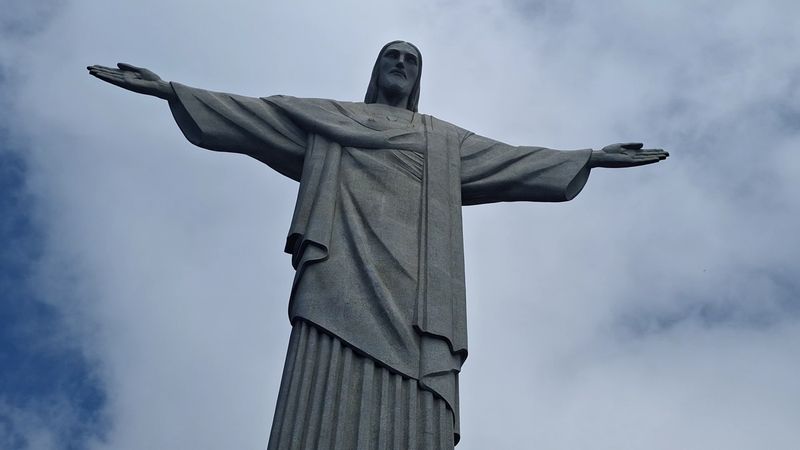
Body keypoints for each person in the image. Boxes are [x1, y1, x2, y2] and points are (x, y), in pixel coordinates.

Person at [88, 40, 668, 449]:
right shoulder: (328, 118)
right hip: (338, 266)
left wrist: (590, 157)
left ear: (418, 80)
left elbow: (513, 160)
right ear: (375, 69)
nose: (400, 64)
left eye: (411, 61)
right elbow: (252, 116)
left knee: (414, 384)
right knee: (322, 374)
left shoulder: (442, 140)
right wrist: (168, 90)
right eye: (392, 56)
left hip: (418, 290)